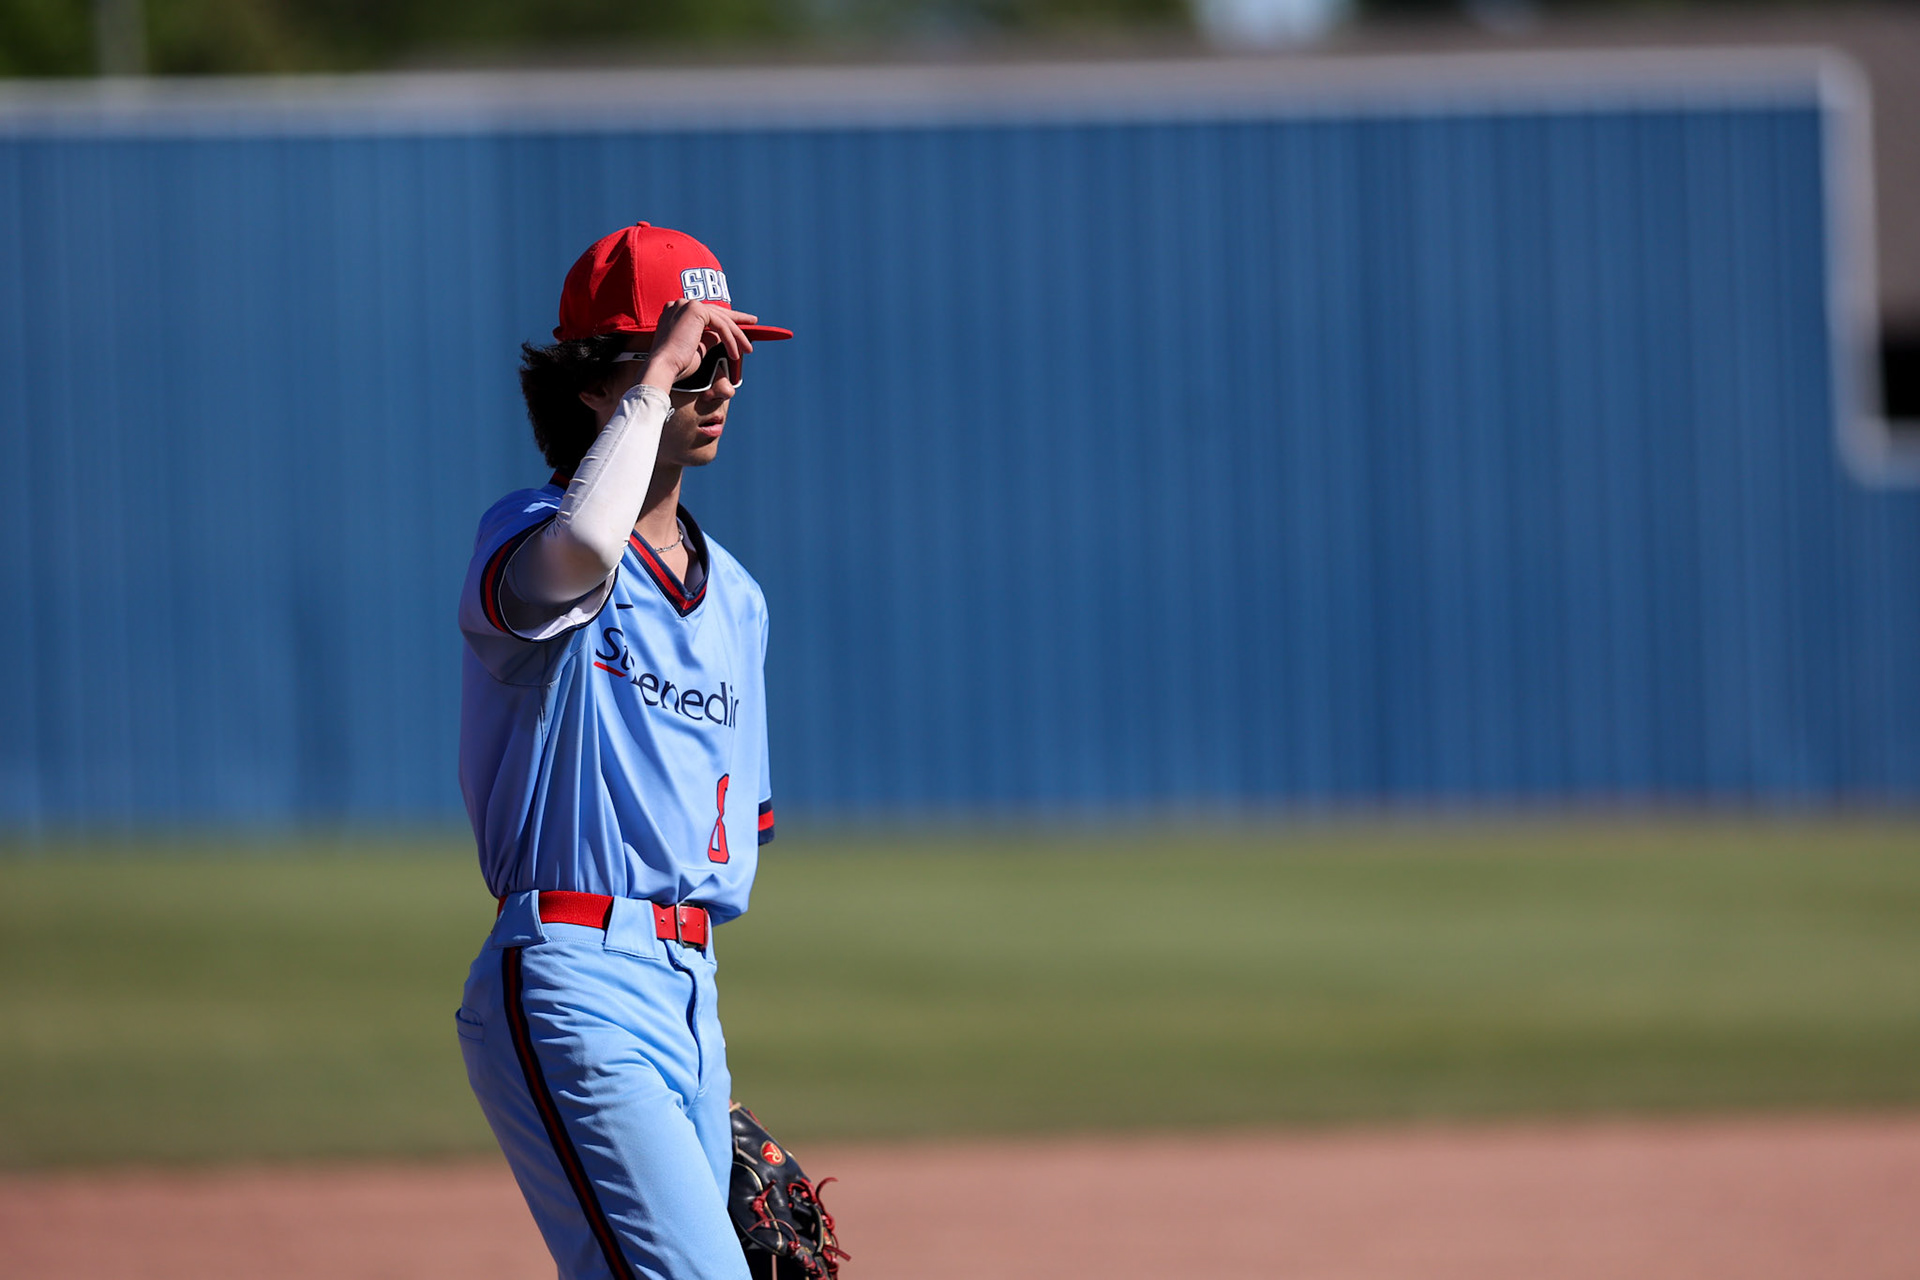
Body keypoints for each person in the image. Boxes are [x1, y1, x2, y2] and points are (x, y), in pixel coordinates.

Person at [453, 222, 791, 1280]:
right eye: (699, 356)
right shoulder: (534, 531)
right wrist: (657, 375)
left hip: (688, 993)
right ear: (602, 384)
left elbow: (724, 846)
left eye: (732, 356)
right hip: (571, 975)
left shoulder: (736, 596)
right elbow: (593, 543)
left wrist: (710, 1077)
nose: (721, 380)